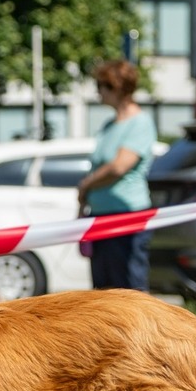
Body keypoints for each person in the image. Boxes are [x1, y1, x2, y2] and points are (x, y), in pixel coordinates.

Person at [77, 60, 157, 291]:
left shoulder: (140, 123)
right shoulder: (108, 125)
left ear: (117, 87)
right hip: (100, 217)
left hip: (127, 218)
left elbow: (119, 166)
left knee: (130, 291)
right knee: (103, 294)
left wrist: (86, 185)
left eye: (102, 85)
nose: (98, 90)